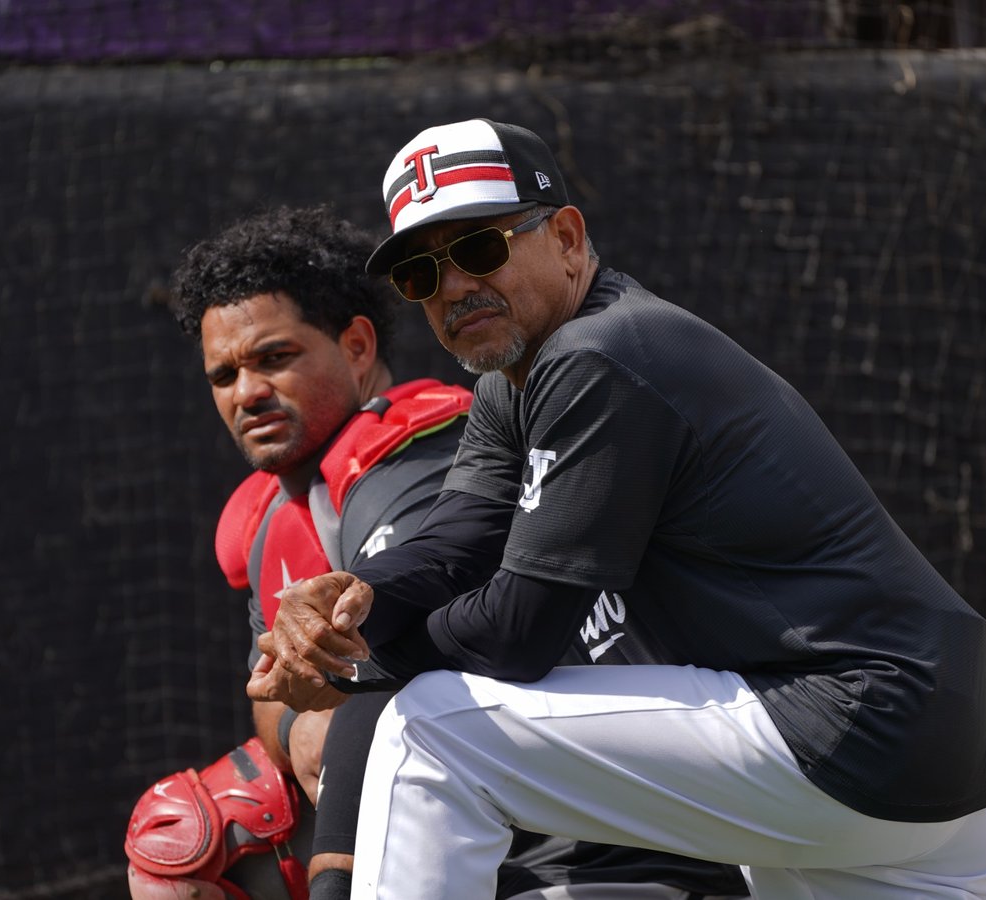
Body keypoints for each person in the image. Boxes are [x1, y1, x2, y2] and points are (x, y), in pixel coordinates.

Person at [250, 120, 986, 899]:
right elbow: (456, 544)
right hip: (944, 766)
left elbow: (520, 629)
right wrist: (352, 600)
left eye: (479, 249)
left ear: (565, 238)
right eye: (421, 272)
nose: (452, 287)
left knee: (428, 730)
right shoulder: (512, 385)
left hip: (852, 723)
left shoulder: (598, 353)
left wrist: (358, 666)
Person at [123, 206, 749, 900]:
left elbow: (400, 668)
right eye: (224, 375)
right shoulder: (267, 518)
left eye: (274, 358)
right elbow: (273, 697)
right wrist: (300, 717)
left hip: (602, 829)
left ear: (357, 346)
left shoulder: (417, 456)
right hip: (468, 799)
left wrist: (329, 714)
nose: (248, 393)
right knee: (180, 841)